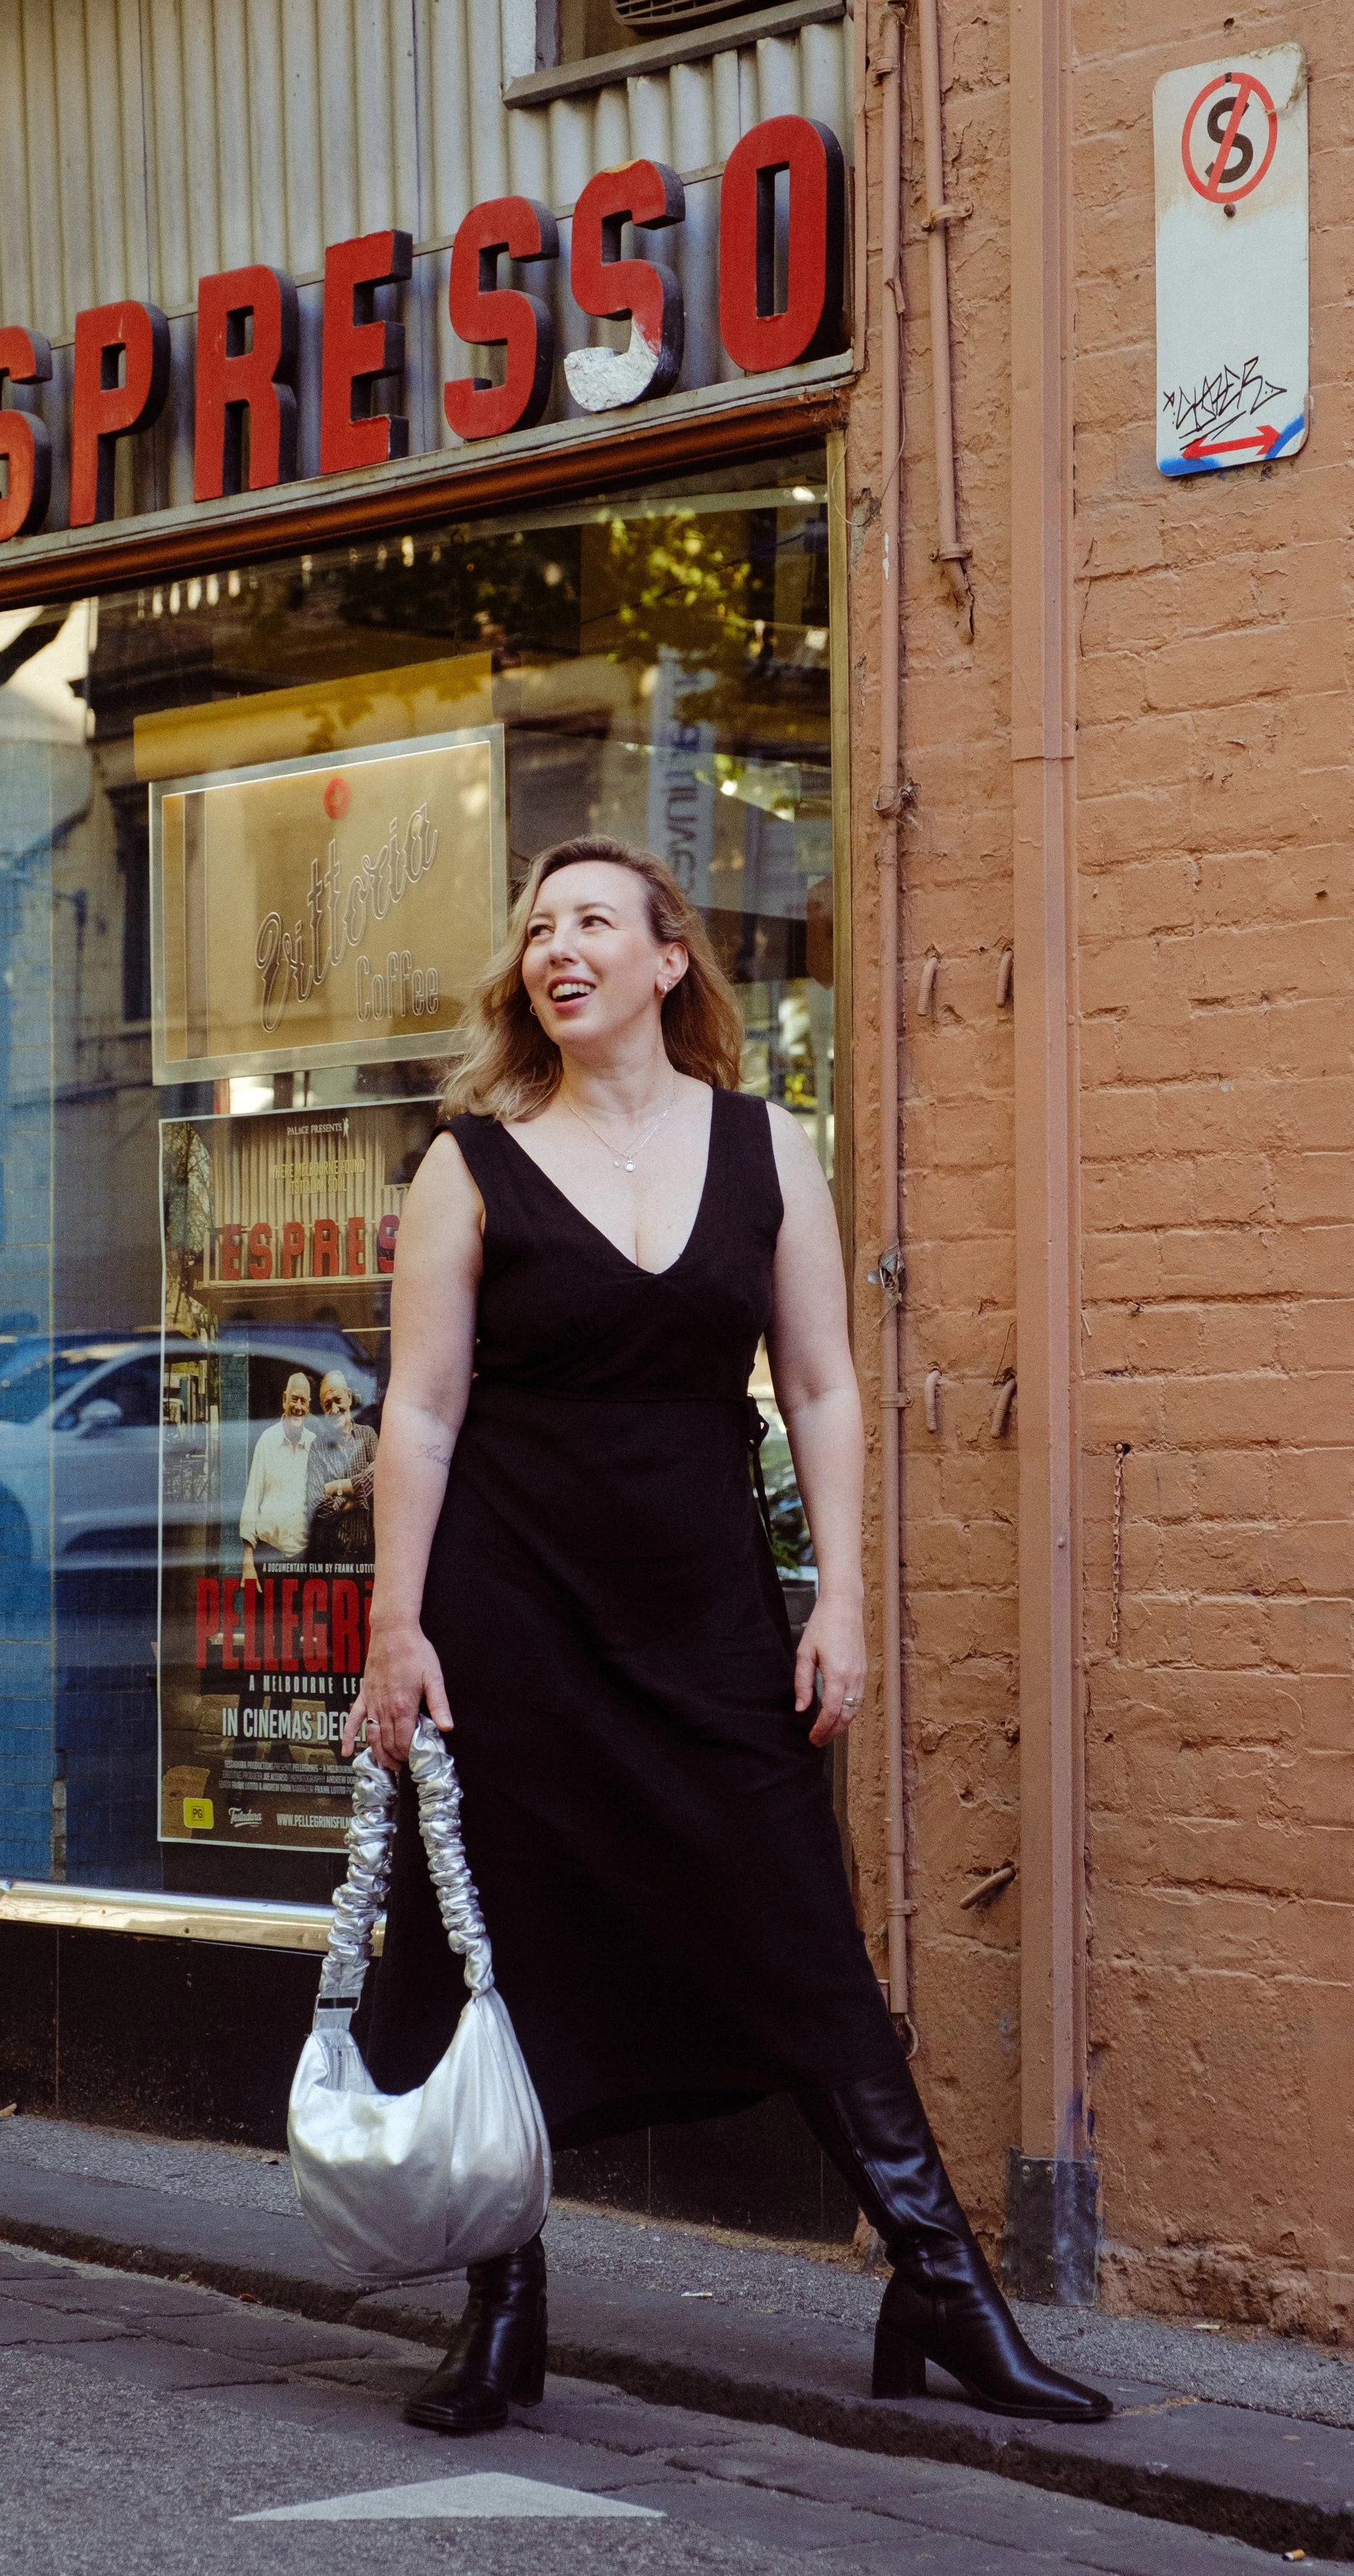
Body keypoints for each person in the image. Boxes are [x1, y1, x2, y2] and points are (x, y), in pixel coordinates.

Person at [342, 837, 1108, 2437]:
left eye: (594, 924)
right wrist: (394, 1630)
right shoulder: (468, 1161)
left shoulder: (765, 1150)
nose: (560, 949)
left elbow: (821, 1385)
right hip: (511, 1612)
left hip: (700, 1610)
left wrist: (839, 1595)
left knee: (798, 1936)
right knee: (514, 1957)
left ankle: (942, 2292)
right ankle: (505, 2313)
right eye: (539, 928)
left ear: (665, 959)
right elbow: (417, 1412)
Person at [238, 1370, 315, 1581]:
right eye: (294, 1399)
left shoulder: (315, 1445)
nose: (298, 1407)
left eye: (303, 1402)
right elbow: (252, 1500)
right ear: (284, 1400)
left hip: (304, 1560)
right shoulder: (267, 1440)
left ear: (309, 1407)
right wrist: (248, 1562)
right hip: (268, 1557)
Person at [304, 1367, 376, 1569]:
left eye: (338, 1400)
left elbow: (382, 1486)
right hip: (336, 1559)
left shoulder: (368, 1436)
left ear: (349, 1398)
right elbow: (318, 1508)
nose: (334, 1409)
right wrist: (360, 1499)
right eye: (328, 1405)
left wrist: (337, 1487)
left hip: (371, 1556)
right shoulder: (318, 1448)